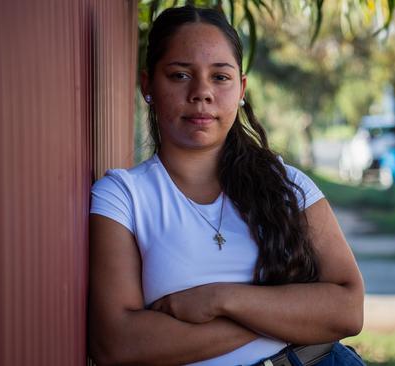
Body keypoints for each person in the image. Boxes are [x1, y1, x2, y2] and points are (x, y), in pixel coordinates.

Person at [88, 5, 365, 366]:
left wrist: (220, 300)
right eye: (180, 75)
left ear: (241, 89)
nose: (202, 92)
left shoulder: (286, 186)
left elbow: (348, 310)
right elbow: (117, 344)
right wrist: (281, 317)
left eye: (220, 77)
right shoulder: (123, 197)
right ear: (147, 85)